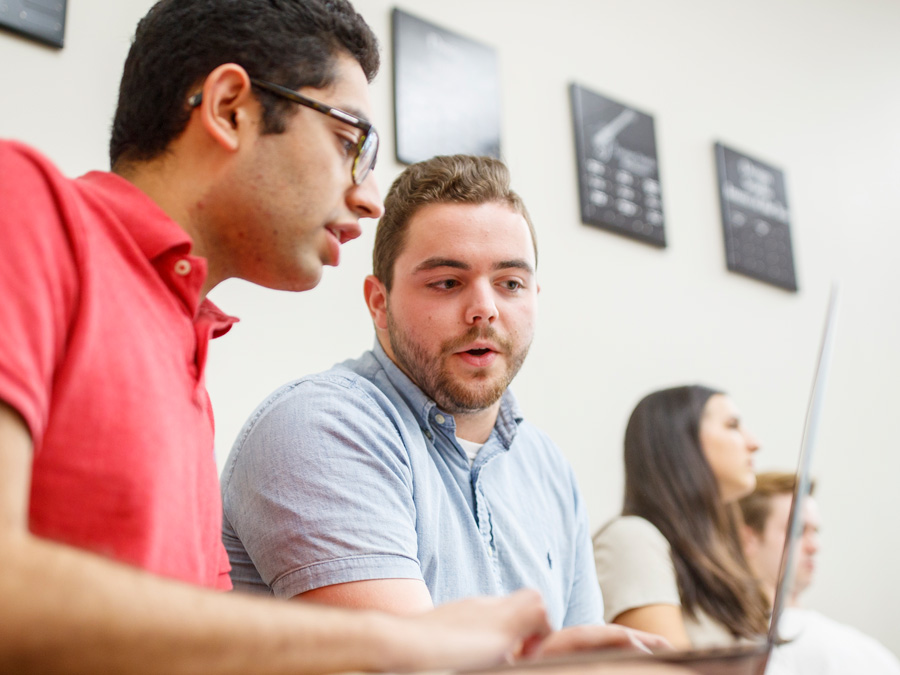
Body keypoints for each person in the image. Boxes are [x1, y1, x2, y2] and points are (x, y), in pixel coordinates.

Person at [0, 2, 559, 672]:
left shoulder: (183, 345)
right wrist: (406, 640)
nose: (371, 197)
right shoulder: (24, 204)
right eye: (351, 142)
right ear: (231, 107)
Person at [221, 154, 667, 655]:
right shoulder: (320, 427)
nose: (485, 309)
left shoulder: (548, 468)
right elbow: (405, 668)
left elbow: (588, 660)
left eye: (511, 283)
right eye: (447, 282)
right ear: (378, 303)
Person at [593, 385, 771, 649]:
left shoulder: (719, 559)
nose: (755, 443)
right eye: (733, 425)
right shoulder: (632, 540)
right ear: (681, 442)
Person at [740, 472, 900, 674]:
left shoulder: (867, 654)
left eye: (815, 532)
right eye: (798, 530)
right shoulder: (733, 644)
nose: (815, 546)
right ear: (748, 539)